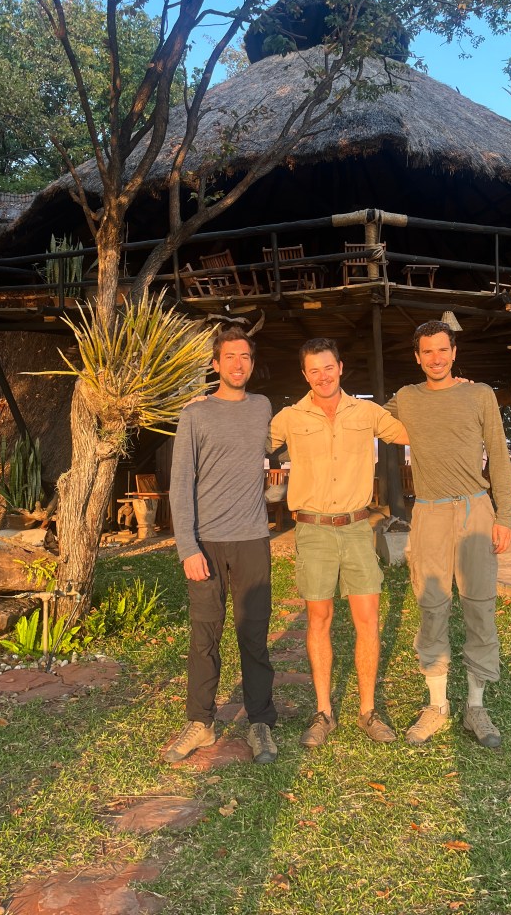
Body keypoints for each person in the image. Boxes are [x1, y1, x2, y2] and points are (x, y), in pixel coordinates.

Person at [268, 337, 409, 748]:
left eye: (328, 367)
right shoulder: (290, 418)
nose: (322, 376)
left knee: (368, 619)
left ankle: (367, 711)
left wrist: (448, 389)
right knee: (319, 620)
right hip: (312, 530)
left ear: (341, 367)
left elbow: (406, 431)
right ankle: (323, 712)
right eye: (314, 370)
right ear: (305, 374)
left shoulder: (366, 412)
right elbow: (250, 443)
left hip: (356, 528)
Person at [385, 320, 511, 747]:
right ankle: (437, 705)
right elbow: (358, 416)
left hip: (475, 509)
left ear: (454, 352)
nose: (435, 358)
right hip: (429, 513)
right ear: (416, 356)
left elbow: (498, 453)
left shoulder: (480, 394)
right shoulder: (405, 398)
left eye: (443, 350)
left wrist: (504, 515)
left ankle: (476, 708)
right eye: (427, 352)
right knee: (431, 604)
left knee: (479, 606)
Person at [164, 325, 278, 765]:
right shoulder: (195, 414)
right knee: (204, 634)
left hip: (252, 538)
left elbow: (284, 444)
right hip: (206, 543)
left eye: (245, 356)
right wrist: (187, 547)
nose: (238, 364)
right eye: (229, 356)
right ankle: (201, 722)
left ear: (252, 362)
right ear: (215, 363)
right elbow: (180, 484)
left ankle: (261, 723)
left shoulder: (263, 407)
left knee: (254, 634)